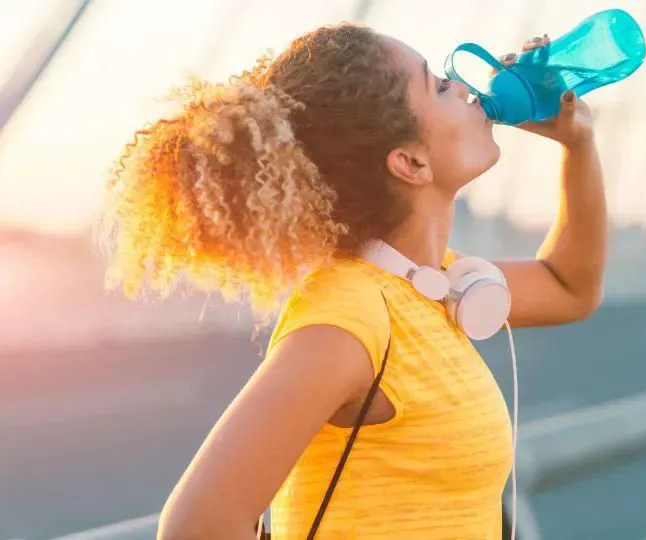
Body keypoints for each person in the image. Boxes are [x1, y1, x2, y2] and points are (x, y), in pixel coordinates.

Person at [98, 22, 606, 540]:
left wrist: (578, 144)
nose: (463, 86)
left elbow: (569, 289)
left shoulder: (437, 284)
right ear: (410, 162)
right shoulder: (350, 314)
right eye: (438, 85)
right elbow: (196, 526)